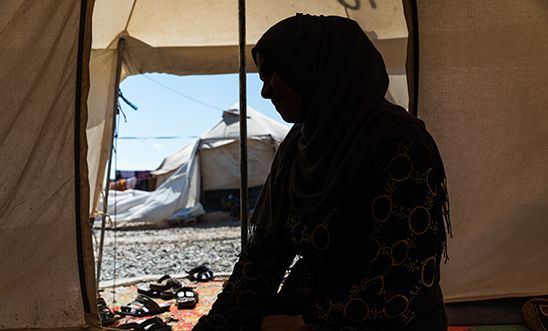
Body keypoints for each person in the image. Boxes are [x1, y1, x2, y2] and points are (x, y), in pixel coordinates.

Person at [192, 13, 451, 331]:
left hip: (385, 319)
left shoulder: (399, 144)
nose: (265, 91)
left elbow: (403, 280)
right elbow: (263, 257)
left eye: (274, 73)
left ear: (315, 66)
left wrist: (304, 323)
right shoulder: (298, 146)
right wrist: (216, 325)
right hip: (308, 305)